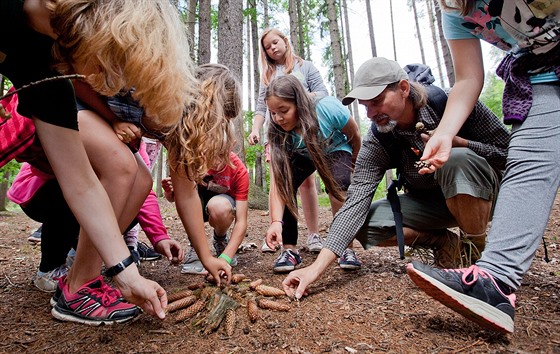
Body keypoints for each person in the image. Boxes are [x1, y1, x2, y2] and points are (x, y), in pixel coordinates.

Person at [0, 0, 196, 325]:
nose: (113, 81)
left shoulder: (49, 71)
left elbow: (81, 183)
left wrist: (127, 274)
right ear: (103, 28)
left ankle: (81, 285)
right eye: (117, 61)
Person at [281, 57, 510, 299]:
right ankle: (444, 243)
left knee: (456, 160)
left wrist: (461, 143)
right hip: (431, 204)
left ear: (403, 88)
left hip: (484, 195)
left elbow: (509, 155)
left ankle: (478, 263)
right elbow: (355, 202)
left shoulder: (454, 104)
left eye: (377, 102)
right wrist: (314, 269)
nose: (370, 114)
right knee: (364, 225)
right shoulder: (379, 138)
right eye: (364, 106)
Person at [405, 1, 560, 334]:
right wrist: (446, 133)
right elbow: (468, 77)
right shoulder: (454, 13)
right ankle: (496, 283)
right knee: (528, 158)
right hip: (544, 73)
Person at [264, 75, 362, 273]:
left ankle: (346, 247)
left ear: (299, 103)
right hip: (304, 153)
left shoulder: (327, 107)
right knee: (287, 182)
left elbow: (354, 133)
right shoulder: (277, 129)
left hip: (335, 147)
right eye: (273, 113)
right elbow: (277, 183)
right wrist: (275, 222)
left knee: (340, 183)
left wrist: (354, 162)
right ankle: (289, 249)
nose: (278, 118)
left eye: (284, 111)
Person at [247, 28, 327, 254]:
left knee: (307, 183)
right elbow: (262, 107)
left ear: (284, 40)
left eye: (275, 42)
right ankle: (277, 231)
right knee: (279, 181)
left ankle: (313, 235)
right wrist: (255, 129)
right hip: (276, 136)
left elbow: (322, 92)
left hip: (303, 134)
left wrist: (300, 98)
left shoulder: (305, 66)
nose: (272, 48)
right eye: (267, 47)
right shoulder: (267, 76)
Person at [162, 151, 249, 275]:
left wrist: (225, 259)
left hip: (221, 206)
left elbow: (241, 221)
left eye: (221, 154)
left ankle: (220, 239)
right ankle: (195, 248)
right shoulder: (191, 161)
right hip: (196, 204)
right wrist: (170, 191)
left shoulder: (238, 169)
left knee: (219, 207)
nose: (216, 162)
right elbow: (173, 199)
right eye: (210, 154)